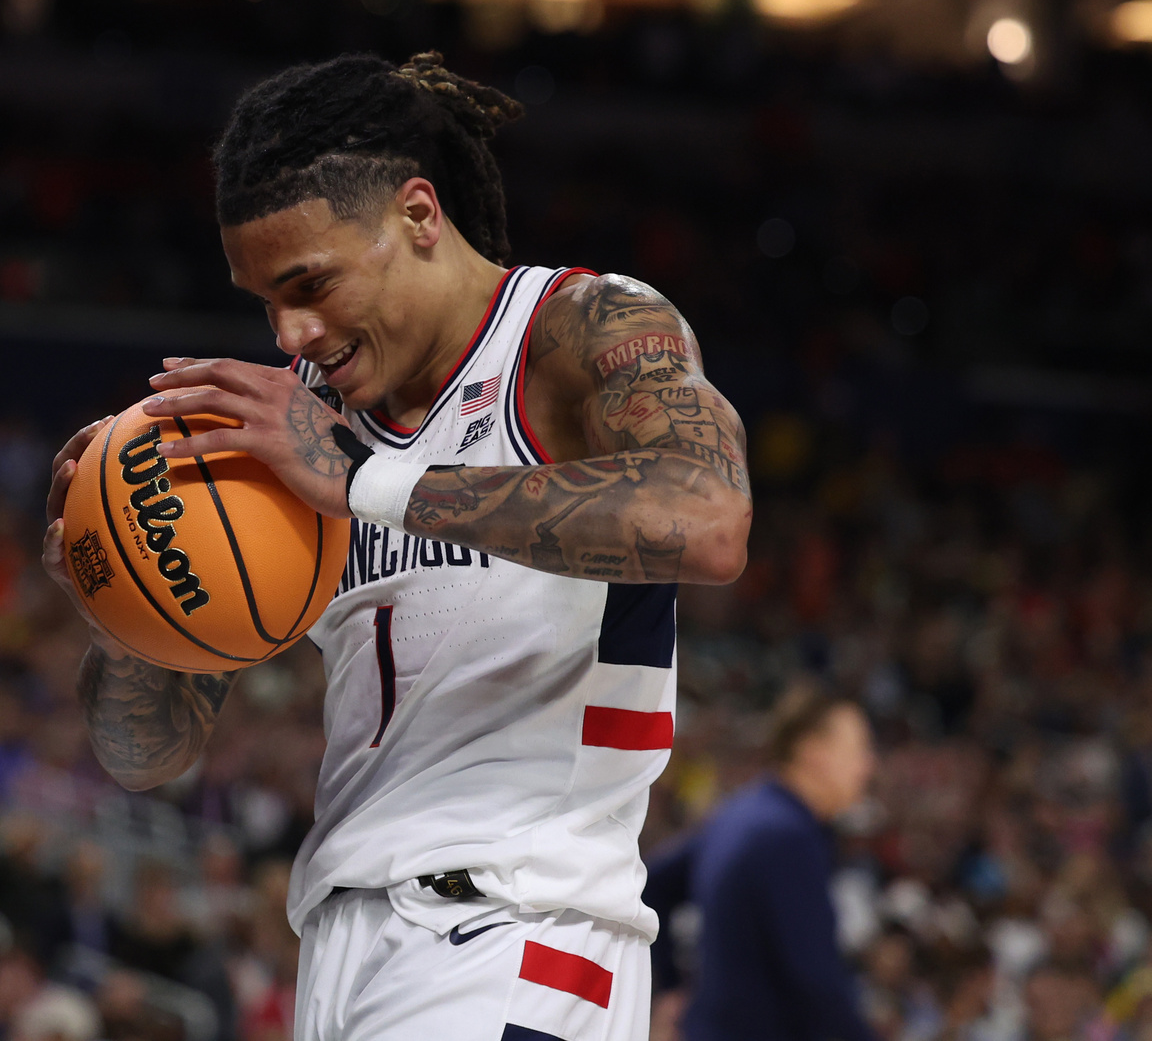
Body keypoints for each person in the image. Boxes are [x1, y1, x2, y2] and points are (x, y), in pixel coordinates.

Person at [40, 53, 753, 1040]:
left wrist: (366, 483)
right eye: (263, 298)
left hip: (513, 927)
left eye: (310, 281)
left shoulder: (573, 329)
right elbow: (143, 751)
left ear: (417, 215)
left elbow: (708, 518)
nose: (290, 329)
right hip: (340, 945)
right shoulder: (303, 423)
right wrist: (119, 592)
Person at [640, 685, 880, 1041]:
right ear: (812, 751)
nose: (868, 766)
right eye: (858, 749)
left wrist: (671, 987)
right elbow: (814, 982)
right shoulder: (787, 836)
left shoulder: (741, 813)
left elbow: (653, 884)